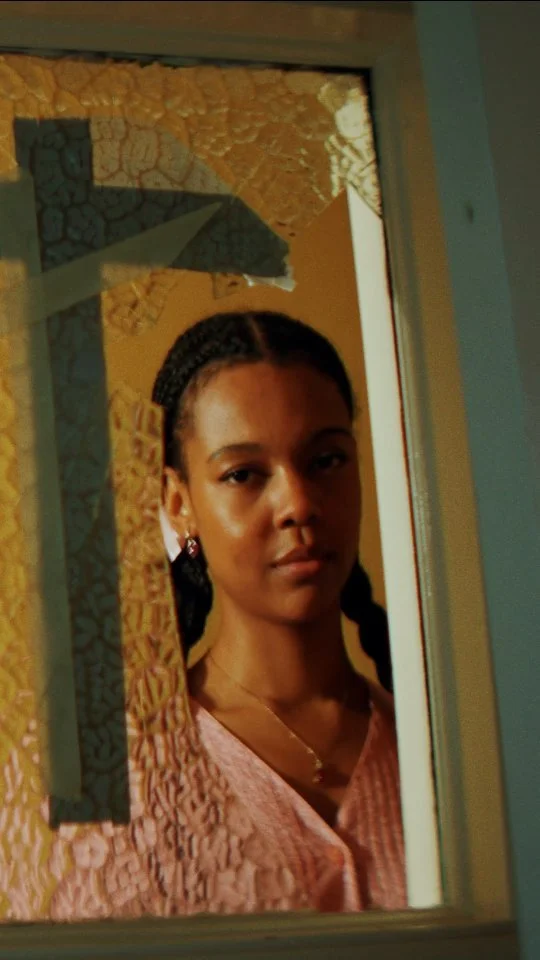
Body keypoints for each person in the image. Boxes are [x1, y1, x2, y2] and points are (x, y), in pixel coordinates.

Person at [151, 309, 406, 914]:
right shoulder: (120, 779)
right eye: (243, 474)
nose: (298, 504)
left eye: (326, 461)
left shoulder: (454, 748)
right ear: (179, 503)